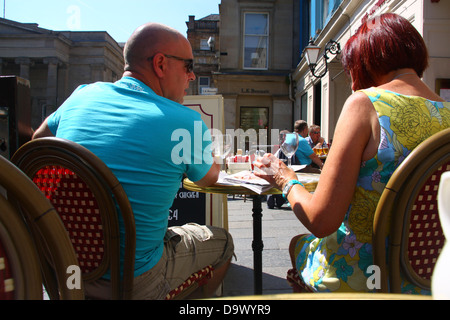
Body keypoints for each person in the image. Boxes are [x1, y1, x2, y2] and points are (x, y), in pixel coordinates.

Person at [32, 22, 234, 299]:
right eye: (188, 65)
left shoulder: (80, 96)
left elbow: (37, 144)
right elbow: (210, 178)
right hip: (135, 280)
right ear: (160, 63)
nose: (191, 76)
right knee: (222, 243)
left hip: (63, 269)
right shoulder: (184, 122)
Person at [254, 13, 449, 294]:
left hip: (366, 276)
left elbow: (321, 221)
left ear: (365, 61)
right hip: (429, 278)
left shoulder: (366, 104)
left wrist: (284, 178)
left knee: (298, 243)